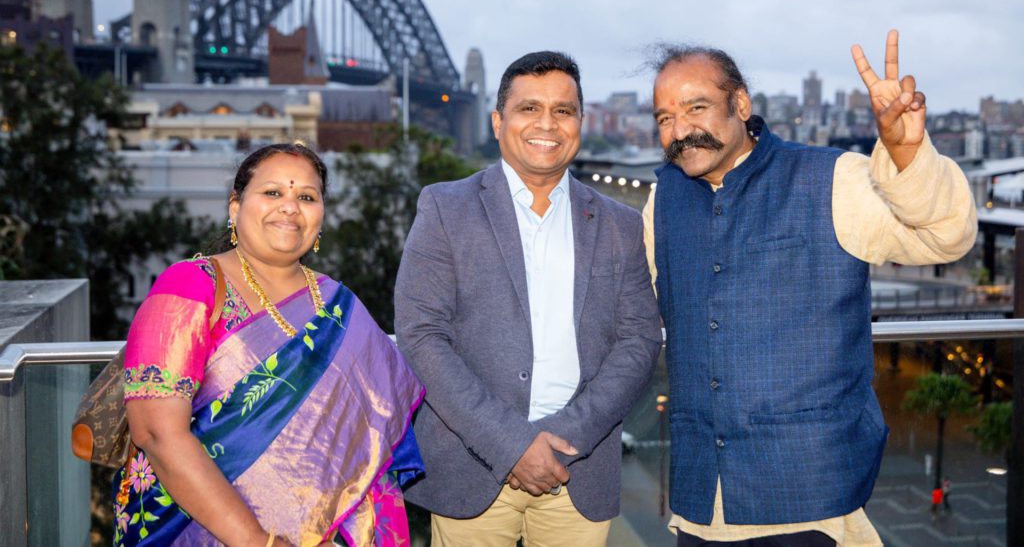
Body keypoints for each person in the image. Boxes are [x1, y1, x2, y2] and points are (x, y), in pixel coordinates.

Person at [643, 31, 977, 546]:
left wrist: (908, 156)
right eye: (665, 118)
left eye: (696, 107)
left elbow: (945, 237)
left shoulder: (833, 178)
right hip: (701, 504)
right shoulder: (662, 201)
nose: (680, 130)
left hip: (810, 500)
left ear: (741, 103)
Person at [395, 51, 662, 546]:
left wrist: (562, 442)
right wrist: (512, 444)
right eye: (528, 108)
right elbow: (421, 336)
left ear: (580, 122)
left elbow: (639, 341)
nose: (547, 124)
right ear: (499, 122)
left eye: (563, 110)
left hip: (576, 470)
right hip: (472, 466)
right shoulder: (445, 208)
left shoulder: (621, 224)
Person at [115, 143, 424, 547]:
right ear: (235, 206)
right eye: (273, 192)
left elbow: (373, 452)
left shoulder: (339, 303)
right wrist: (256, 541)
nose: (291, 208)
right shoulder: (192, 285)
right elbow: (156, 432)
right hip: (204, 531)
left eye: (307, 197)